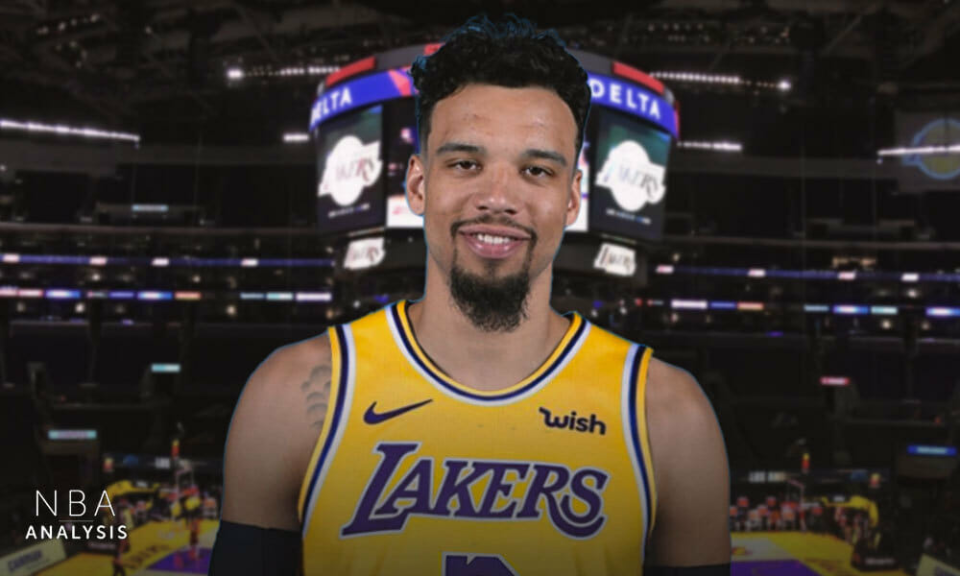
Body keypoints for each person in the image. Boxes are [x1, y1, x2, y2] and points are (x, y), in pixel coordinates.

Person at [211, 14, 730, 575]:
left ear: (572, 198)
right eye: (465, 163)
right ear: (418, 184)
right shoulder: (290, 397)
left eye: (536, 170)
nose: (498, 198)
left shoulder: (669, 417)